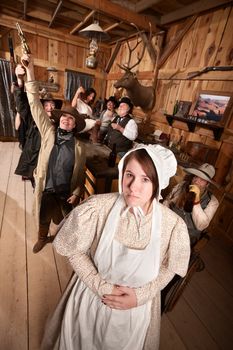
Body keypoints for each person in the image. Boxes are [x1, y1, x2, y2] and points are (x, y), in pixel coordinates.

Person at [41, 144, 190, 350]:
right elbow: (75, 251)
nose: (133, 186)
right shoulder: (99, 206)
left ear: (158, 183)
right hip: (89, 300)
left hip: (135, 312)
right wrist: (102, 287)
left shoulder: (172, 225)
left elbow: (170, 267)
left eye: (145, 179)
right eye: (129, 174)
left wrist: (142, 295)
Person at [21, 53, 88, 254]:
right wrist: (30, 71)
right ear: (58, 120)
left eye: (71, 119)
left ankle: (60, 239)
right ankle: (42, 237)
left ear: (75, 125)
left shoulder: (79, 146)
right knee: (43, 217)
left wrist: (77, 193)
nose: (67, 120)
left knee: (65, 221)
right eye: (64, 117)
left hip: (65, 192)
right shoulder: (48, 132)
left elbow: (81, 172)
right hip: (47, 188)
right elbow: (34, 105)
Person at [14, 64, 62, 186]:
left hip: (48, 162)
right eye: (46, 105)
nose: (50, 107)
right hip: (33, 159)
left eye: (52, 105)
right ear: (42, 107)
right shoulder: (34, 118)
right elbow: (22, 105)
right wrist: (20, 82)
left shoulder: (58, 122)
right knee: (35, 184)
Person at [163, 163, 219, 245]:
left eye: (202, 180)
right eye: (196, 177)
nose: (196, 181)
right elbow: (167, 202)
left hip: (187, 235)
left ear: (207, 184)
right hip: (169, 224)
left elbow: (201, 226)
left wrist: (196, 200)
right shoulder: (182, 186)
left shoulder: (212, 201)